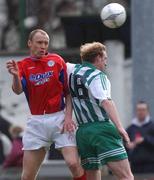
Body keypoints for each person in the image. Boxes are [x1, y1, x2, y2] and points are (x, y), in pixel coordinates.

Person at [6, 29, 86, 180]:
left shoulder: (57, 61)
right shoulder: (22, 66)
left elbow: (68, 93)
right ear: (30, 43)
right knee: (27, 176)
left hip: (59, 119)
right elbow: (17, 90)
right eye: (39, 42)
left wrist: (69, 117)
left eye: (46, 43)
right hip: (36, 123)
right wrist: (16, 77)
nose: (43, 46)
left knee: (74, 164)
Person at [68, 42, 134, 180]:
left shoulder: (72, 71)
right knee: (126, 176)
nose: (106, 63)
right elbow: (105, 101)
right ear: (98, 57)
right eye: (105, 58)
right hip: (101, 129)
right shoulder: (98, 76)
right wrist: (120, 127)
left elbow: (58, 63)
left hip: (83, 133)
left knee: (92, 175)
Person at [126, 101, 154, 173]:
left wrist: (145, 140)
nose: (141, 112)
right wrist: (128, 145)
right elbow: (124, 143)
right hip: (135, 165)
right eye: (139, 110)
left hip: (151, 165)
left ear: (147, 111)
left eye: (143, 109)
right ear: (136, 111)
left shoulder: (152, 126)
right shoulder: (131, 128)